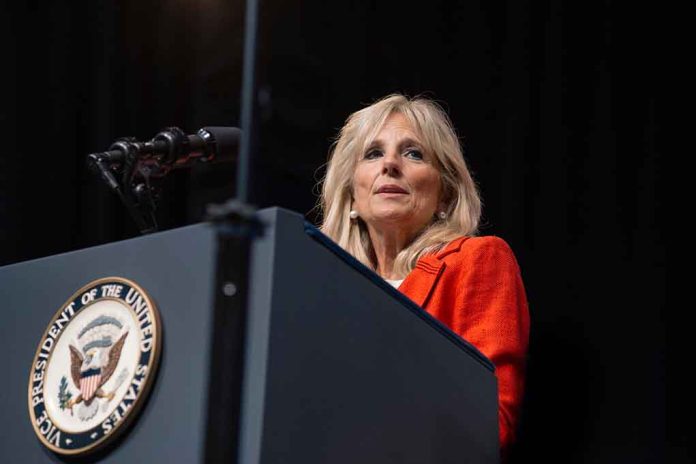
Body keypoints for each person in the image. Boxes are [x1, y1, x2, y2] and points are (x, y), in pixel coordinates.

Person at [318, 93, 530, 456]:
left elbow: (491, 425)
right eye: (373, 153)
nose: (390, 165)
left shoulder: (479, 260)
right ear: (351, 194)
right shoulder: (322, 286)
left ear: (445, 195)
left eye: (413, 153)